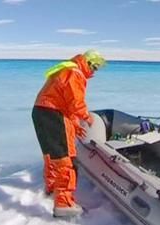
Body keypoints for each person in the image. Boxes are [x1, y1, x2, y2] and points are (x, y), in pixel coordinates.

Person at [32, 50, 105, 217]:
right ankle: (63, 204)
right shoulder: (75, 73)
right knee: (66, 159)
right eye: (94, 67)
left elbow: (63, 101)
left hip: (41, 112)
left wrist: (74, 125)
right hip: (53, 113)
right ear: (88, 63)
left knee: (53, 155)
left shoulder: (67, 69)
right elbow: (75, 102)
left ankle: (51, 187)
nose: (94, 72)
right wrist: (87, 118)